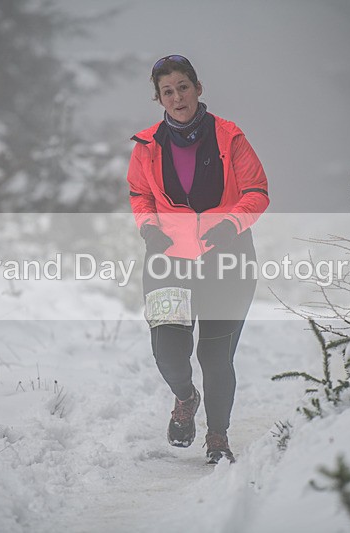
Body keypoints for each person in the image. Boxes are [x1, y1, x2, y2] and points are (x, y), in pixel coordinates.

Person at [126, 54, 269, 464]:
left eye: (183, 87)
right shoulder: (147, 146)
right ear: (159, 99)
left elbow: (257, 190)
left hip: (228, 260)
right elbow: (140, 195)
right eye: (167, 91)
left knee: (214, 355)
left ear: (198, 88)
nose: (177, 97)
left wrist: (231, 227)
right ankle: (186, 398)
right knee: (168, 351)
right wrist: (149, 229)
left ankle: (218, 437)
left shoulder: (230, 137)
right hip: (167, 259)